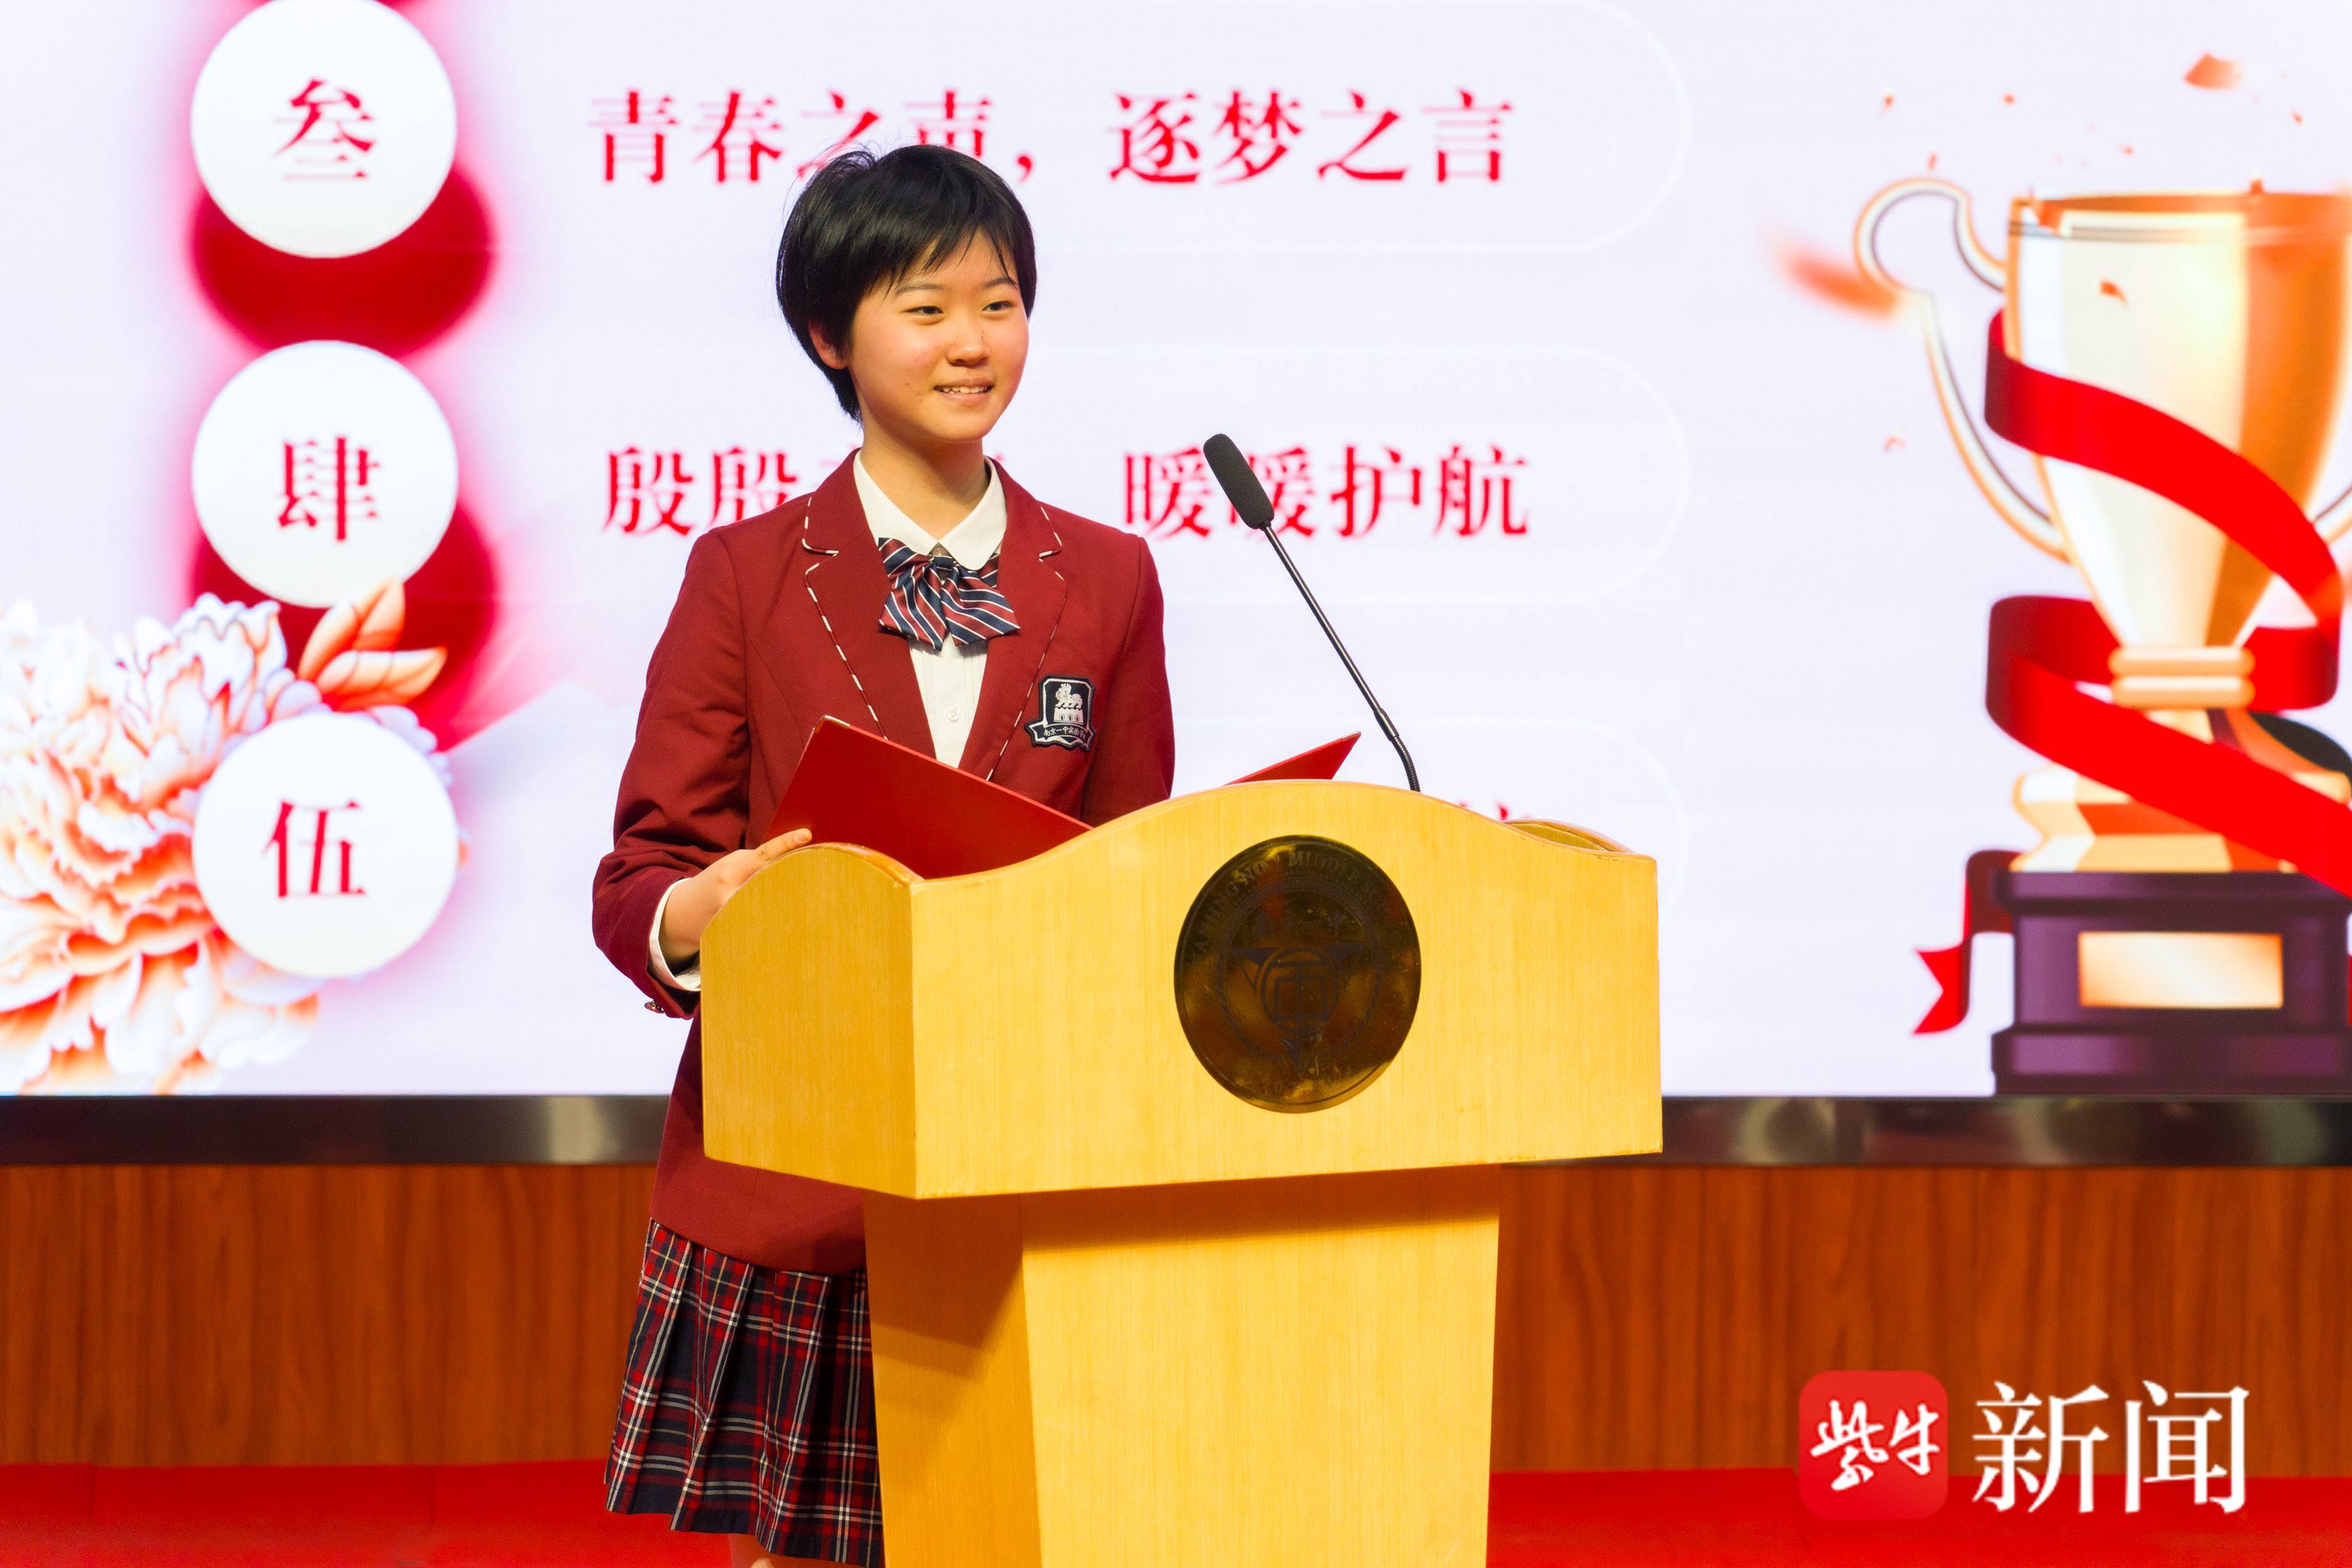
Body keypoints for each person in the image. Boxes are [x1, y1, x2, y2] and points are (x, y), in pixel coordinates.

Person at [591, 144, 1177, 1567]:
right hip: (804, 1160)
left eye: (1001, 303)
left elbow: (1134, 862)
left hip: (1023, 1155)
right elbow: (640, 873)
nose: (974, 342)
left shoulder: (1109, 576)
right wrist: (696, 911)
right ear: (829, 336)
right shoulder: (744, 573)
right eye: (927, 308)